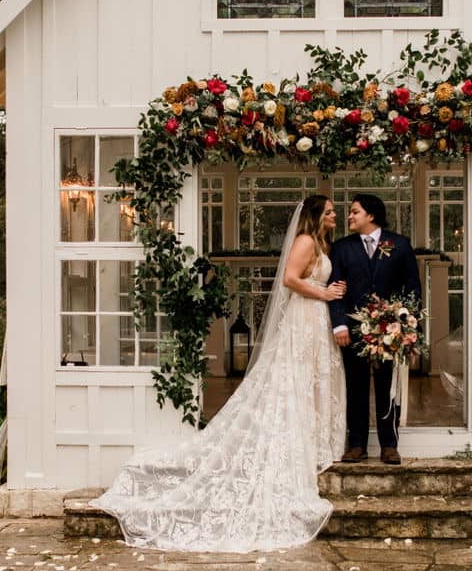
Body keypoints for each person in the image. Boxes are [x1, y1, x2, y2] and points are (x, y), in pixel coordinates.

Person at [96, 195, 347, 551]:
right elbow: (290, 279)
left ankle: (312, 438)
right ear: (315, 216)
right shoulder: (306, 241)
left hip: (314, 318)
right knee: (294, 382)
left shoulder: (323, 243)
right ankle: (297, 442)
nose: (335, 214)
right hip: (304, 317)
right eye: (330, 211)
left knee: (311, 382)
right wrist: (325, 293)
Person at [329, 193, 421, 465]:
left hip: (389, 329)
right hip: (354, 331)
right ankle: (356, 444)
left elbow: (412, 289)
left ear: (371, 215)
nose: (349, 216)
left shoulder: (400, 245)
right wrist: (339, 323)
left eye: (355, 211)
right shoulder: (342, 247)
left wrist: (409, 328)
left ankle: (389, 444)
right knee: (355, 387)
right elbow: (335, 289)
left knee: (387, 387)